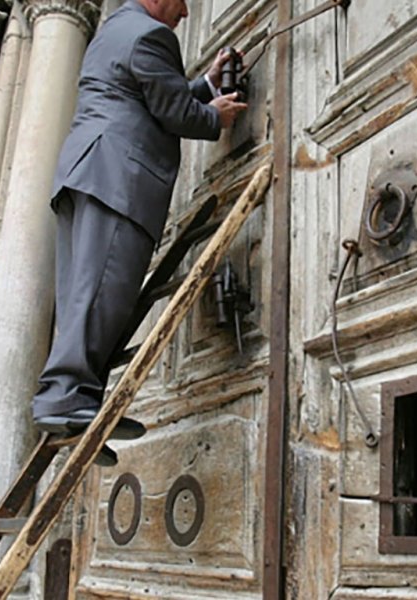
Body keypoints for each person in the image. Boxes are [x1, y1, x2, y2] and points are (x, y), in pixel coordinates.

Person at [31, 0, 248, 464]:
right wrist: (216, 116)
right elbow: (173, 110)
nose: (185, 14)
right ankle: (65, 400)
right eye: (182, 3)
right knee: (101, 294)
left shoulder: (118, 29)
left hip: (89, 172)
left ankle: (76, 402)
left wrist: (206, 84)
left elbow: (150, 96)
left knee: (84, 294)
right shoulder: (152, 35)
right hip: (116, 179)